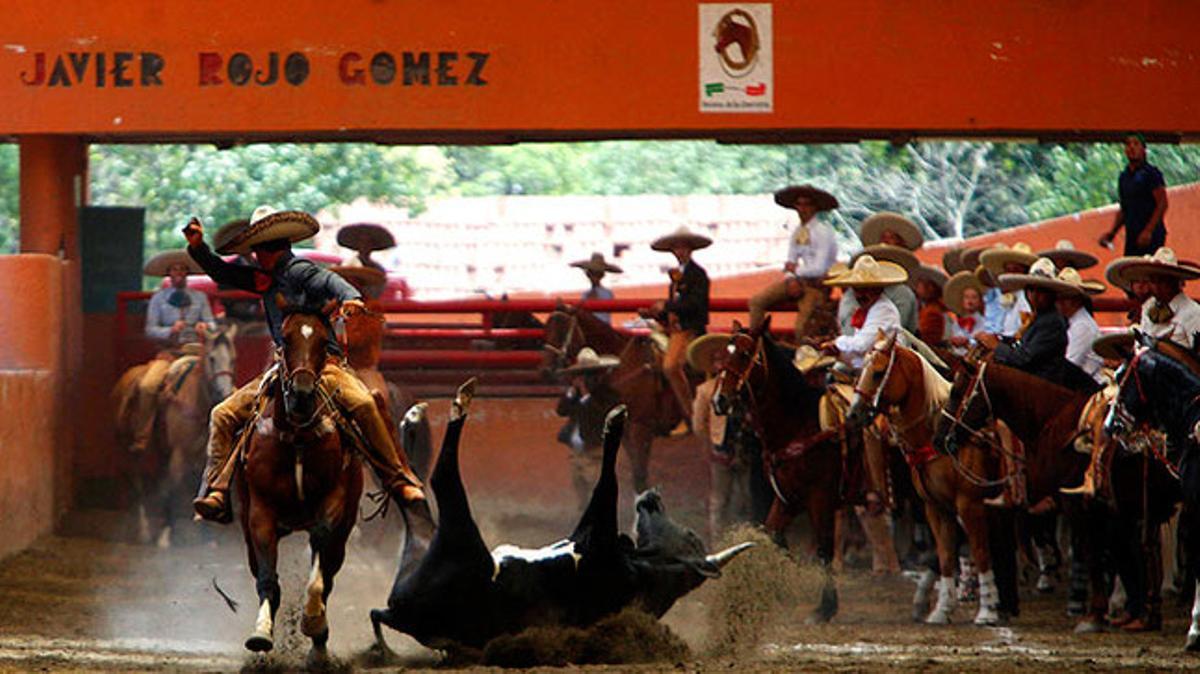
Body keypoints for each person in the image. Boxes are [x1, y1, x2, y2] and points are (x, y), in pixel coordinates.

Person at [185, 206, 424, 523]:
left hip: (325, 365)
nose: (254, 256)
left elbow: (329, 281)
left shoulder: (298, 270)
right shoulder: (263, 279)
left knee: (365, 402)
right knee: (223, 413)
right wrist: (198, 248)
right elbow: (222, 273)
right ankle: (216, 488)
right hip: (284, 367)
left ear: (267, 250)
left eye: (256, 250)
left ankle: (398, 478)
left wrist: (350, 296)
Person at [128, 250, 216, 453]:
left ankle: (224, 432)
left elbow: (212, 322)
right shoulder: (158, 299)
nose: (179, 273)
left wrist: (205, 326)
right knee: (148, 385)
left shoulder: (200, 297)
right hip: (169, 353)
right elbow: (150, 329)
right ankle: (142, 436)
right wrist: (169, 330)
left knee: (223, 382)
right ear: (168, 274)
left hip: (196, 351)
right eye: (175, 270)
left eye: (183, 270)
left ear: (187, 274)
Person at [642, 226, 711, 432]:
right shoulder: (677, 276)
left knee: (670, 367)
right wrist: (655, 313)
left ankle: (690, 415)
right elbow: (676, 307)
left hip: (689, 330)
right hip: (675, 330)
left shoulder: (698, 274)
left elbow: (696, 304)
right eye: (677, 248)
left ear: (690, 250)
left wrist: (667, 306)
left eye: (683, 247)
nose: (680, 251)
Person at [748, 185, 839, 340]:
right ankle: (757, 343)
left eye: (807, 204)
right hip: (798, 281)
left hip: (817, 286)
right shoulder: (797, 231)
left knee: (802, 328)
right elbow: (790, 261)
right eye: (799, 204)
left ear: (815, 207)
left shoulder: (824, 231)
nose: (802, 209)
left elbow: (819, 268)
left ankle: (800, 358)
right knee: (756, 301)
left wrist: (795, 271)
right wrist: (791, 278)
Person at [689, 333, 755, 542]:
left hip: (743, 446)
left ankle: (747, 539)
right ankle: (718, 541)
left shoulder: (743, 387)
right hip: (721, 447)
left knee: (748, 497)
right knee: (720, 499)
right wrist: (708, 446)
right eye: (717, 360)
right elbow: (699, 424)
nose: (721, 363)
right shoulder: (705, 390)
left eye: (724, 359)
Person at [554, 347, 622, 511]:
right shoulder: (575, 395)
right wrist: (573, 392)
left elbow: (599, 414)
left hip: (595, 451)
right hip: (577, 452)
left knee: (597, 489)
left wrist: (585, 395)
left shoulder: (608, 395)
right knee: (582, 494)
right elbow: (561, 410)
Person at [839, 213, 922, 337]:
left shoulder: (902, 293)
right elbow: (847, 324)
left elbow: (895, 330)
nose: (886, 241)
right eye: (884, 237)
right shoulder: (852, 294)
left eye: (892, 238)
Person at [1108, 248, 1200, 349]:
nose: (1156, 286)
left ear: (1175, 281)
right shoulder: (1148, 307)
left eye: (1161, 280)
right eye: (1152, 281)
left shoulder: (1193, 313)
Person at [1099, 133, 1169, 257]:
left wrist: (1148, 231)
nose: (1131, 147)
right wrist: (1112, 233)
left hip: (1152, 235)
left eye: (1136, 144)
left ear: (1143, 149)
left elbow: (1162, 203)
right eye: (1128, 144)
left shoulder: (1152, 173)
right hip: (1132, 235)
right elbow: (1124, 209)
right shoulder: (1124, 177)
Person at [1053, 268, 1106, 385]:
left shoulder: (1082, 326)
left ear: (1077, 300)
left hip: (1087, 388)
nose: (1059, 303)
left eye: (1064, 298)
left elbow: (1070, 365)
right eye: (1058, 298)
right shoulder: (1076, 322)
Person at [978, 242, 1037, 338]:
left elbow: (1024, 331)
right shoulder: (1008, 296)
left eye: (1015, 269)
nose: (1011, 274)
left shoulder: (1027, 296)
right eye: (1008, 269)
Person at [570, 252, 622, 325]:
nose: (594, 277)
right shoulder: (585, 294)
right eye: (592, 274)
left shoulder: (607, 294)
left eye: (597, 274)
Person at [944, 270, 987, 355]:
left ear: (980, 301)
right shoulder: (956, 322)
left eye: (974, 297)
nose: (970, 301)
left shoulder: (984, 322)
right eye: (966, 297)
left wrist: (968, 342)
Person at [912, 265, 951, 347]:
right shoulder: (927, 308)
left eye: (920, 284)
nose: (916, 287)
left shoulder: (932, 312)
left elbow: (923, 336)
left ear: (930, 288)